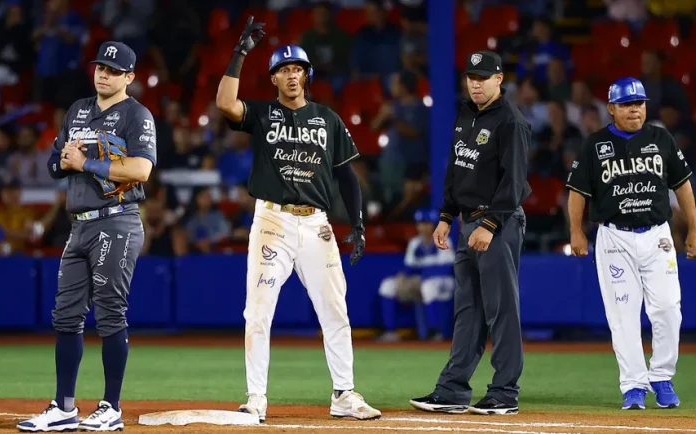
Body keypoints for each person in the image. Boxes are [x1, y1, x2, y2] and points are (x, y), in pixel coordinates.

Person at [214, 16, 381, 422]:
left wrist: (357, 224)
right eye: (284, 69)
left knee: (335, 310)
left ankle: (344, 394)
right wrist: (239, 53)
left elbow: (347, 175)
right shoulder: (262, 114)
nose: (292, 75)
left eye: (298, 69)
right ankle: (256, 398)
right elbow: (224, 104)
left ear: (308, 75)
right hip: (273, 220)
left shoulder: (327, 119)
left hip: (317, 224)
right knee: (258, 311)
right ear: (273, 78)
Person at [17, 41, 156, 432]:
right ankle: (63, 407)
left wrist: (84, 161)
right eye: (100, 67)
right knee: (66, 315)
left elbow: (142, 169)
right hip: (79, 224)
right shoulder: (78, 110)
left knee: (110, 313)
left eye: (113, 70)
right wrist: (64, 161)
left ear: (129, 77)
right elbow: (54, 163)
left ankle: (111, 407)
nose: (103, 74)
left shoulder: (136, 114)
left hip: (117, 221)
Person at [565, 77, 696, 410]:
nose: (634, 110)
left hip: (657, 235)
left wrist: (694, 230)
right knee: (623, 316)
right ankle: (633, 385)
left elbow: (682, 186)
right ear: (611, 108)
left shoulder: (660, 138)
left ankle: (662, 376)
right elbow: (577, 191)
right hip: (614, 237)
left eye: (639, 103)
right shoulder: (595, 144)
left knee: (669, 309)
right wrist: (576, 231)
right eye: (626, 104)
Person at [410, 50, 531, 416]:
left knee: (501, 310)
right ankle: (452, 390)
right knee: (469, 311)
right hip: (467, 224)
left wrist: (491, 225)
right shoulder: (466, 114)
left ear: (499, 79)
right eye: (470, 77)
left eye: (483, 77)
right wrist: (446, 215)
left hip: (498, 223)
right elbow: (456, 168)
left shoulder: (510, 121)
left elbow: (515, 181)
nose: (475, 83)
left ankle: (505, 392)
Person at [377, 208, 455, 342]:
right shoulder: (415, 243)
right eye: (420, 223)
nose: (423, 227)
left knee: (428, 286)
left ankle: (434, 331)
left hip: (444, 282)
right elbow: (409, 268)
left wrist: (422, 273)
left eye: (426, 223)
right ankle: (390, 331)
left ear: (434, 224)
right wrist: (403, 277)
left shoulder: (444, 240)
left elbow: (447, 268)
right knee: (387, 286)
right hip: (421, 280)